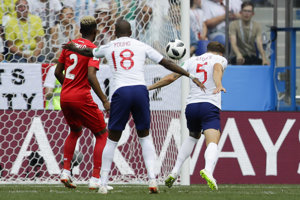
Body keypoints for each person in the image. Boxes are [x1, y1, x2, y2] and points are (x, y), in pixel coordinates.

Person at [62, 19, 204, 194]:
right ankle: (152, 180)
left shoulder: (110, 46)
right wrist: (188, 74)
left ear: (115, 33)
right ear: (131, 33)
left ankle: (103, 183)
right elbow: (166, 63)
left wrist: (72, 48)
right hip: (140, 91)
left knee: (112, 139)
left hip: (121, 93)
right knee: (145, 137)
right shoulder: (141, 45)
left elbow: (90, 52)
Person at [148, 41, 227, 191]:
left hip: (191, 107)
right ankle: (208, 171)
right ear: (221, 53)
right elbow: (217, 69)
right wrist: (218, 84)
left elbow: (171, 77)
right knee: (213, 140)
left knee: (192, 136)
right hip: (209, 105)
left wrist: (150, 87)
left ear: (206, 50)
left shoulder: (191, 60)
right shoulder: (220, 59)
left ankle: (175, 170)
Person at [55, 16, 112, 191]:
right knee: (102, 134)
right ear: (95, 31)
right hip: (82, 97)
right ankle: (95, 178)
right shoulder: (93, 49)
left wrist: (69, 88)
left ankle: (65, 172)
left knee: (75, 131)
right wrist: (104, 100)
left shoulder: (69, 46)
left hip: (65, 97)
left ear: (80, 30)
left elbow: (57, 72)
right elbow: (91, 76)